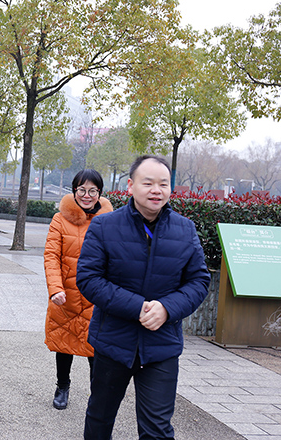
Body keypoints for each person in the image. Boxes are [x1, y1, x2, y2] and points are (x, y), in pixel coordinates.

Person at [77, 155, 210, 439]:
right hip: (113, 341)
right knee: (100, 417)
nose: (156, 190)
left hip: (161, 346)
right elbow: (89, 279)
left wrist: (167, 308)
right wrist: (137, 307)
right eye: (148, 183)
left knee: (158, 428)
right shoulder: (104, 227)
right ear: (130, 185)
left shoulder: (185, 230)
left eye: (163, 184)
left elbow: (199, 281)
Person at [43, 169, 113, 410]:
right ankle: (62, 386)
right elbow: (51, 256)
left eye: (93, 190)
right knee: (65, 344)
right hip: (67, 295)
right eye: (82, 190)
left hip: (97, 296)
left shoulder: (109, 222)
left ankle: (98, 395)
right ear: (74, 191)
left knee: (97, 349)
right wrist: (55, 289)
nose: (87, 195)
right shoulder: (59, 219)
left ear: (100, 193)